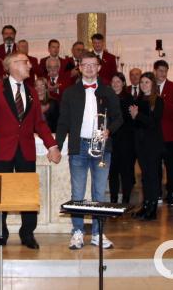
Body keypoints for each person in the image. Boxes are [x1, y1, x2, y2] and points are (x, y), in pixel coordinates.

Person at [0, 52, 61, 250]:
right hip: (3, 150)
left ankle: (27, 234)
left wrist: (52, 146)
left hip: (26, 151)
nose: (30, 65)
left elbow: (39, 123)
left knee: (27, 194)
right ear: (13, 65)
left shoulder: (31, 92)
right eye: (25, 62)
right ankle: (0, 234)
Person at [56, 52, 123, 250]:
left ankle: (97, 233)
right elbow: (63, 122)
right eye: (85, 65)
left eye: (93, 64)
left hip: (101, 148)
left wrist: (109, 130)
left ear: (99, 68)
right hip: (78, 147)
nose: (89, 68)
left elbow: (119, 118)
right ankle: (77, 232)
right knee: (77, 192)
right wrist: (57, 146)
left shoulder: (108, 91)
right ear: (79, 67)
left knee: (99, 193)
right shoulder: (69, 92)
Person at [130, 72, 164, 221]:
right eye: (142, 82)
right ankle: (146, 205)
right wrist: (133, 117)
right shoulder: (138, 99)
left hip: (153, 143)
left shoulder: (158, 100)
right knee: (145, 176)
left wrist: (137, 115)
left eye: (147, 82)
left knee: (152, 176)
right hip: (140, 142)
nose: (143, 85)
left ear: (153, 84)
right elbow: (135, 123)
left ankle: (153, 209)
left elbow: (154, 122)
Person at [154, 60, 173, 206]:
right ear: (155, 71)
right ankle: (157, 193)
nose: (163, 73)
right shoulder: (149, 85)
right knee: (155, 166)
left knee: (172, 167)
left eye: (165, 71)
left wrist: (160, 103)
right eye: (160, 70)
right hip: (154, 135)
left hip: (170, 134)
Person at [107, 72, 136, 205]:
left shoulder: (129, 98)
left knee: (126, 170)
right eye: (113, 81)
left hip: (126, 139)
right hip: (111, 139)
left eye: (118, 81)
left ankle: (126, 198)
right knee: (112, 170)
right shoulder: (107, 97)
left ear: (123, 83)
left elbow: (130, 120)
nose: (115, 84)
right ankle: (113, 198)